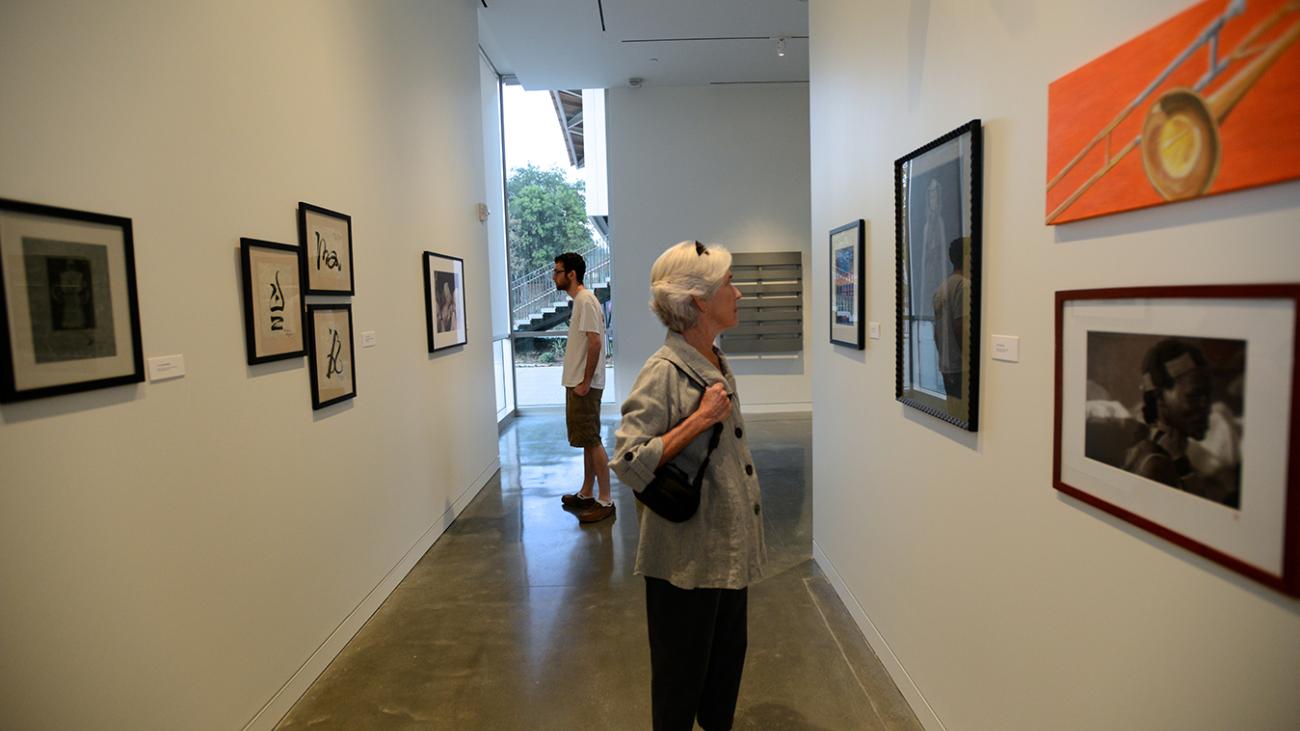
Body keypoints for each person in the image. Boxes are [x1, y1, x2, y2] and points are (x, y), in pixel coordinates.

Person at [612, 240, 765, 731]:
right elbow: (628, 461)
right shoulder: (663, 372)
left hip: (726, 554)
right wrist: (696, 423)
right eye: (728, 285)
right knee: (679, 690)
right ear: (699, 300)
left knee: (722, 685)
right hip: (684, 562)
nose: (739, 293)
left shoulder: (715, 359)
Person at [1122, 338, 1237, 506]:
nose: (1206, 408)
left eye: (1207, 396)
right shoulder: (1156, 465)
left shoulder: (1180, 455)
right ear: (1160, 397)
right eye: (1194, 396)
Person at [553, 252, 614, 523]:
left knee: (592, 440)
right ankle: (587, 492)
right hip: (579, 382)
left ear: (572, 274)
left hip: (584, 385)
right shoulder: (581, 301)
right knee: (587, 441)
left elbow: (595, 342)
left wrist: (586, 382)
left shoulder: (586, 300)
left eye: (558, 271)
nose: (554, 276)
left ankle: (605, 500)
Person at [931, 236, 967, 401]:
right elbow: (961, 326)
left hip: (947, 365)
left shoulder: (941, 288)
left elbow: (936, 333)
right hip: (961, 366)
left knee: (954, 413)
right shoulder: (963, 285)